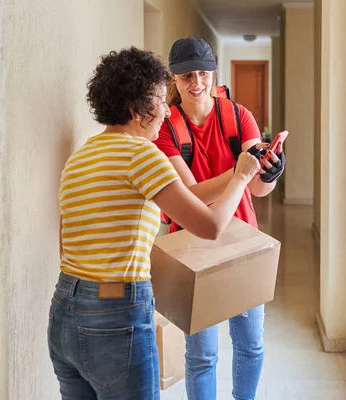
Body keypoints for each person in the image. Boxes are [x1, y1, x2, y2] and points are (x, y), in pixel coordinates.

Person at [47, 46, 261, 400]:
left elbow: (67, 244)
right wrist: (240, 177)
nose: (166, 110)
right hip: (115, 319)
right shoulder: (142, 155)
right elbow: (208, 226)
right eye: (160, 101)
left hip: (64, 313)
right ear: (136, 110)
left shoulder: (79, 158)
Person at [153, 37, 286, 400]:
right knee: (201, 356)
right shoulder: (166, 129)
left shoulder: (238, 116)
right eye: (186, 77)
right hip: (191, 247)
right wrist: (240, 173)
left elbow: (257, 192)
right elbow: (191, 198)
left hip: (242, 240)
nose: (196, 83)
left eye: (203, 74)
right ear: (173, 81)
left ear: (214, 73)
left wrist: (268, 174)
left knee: (251, 345)